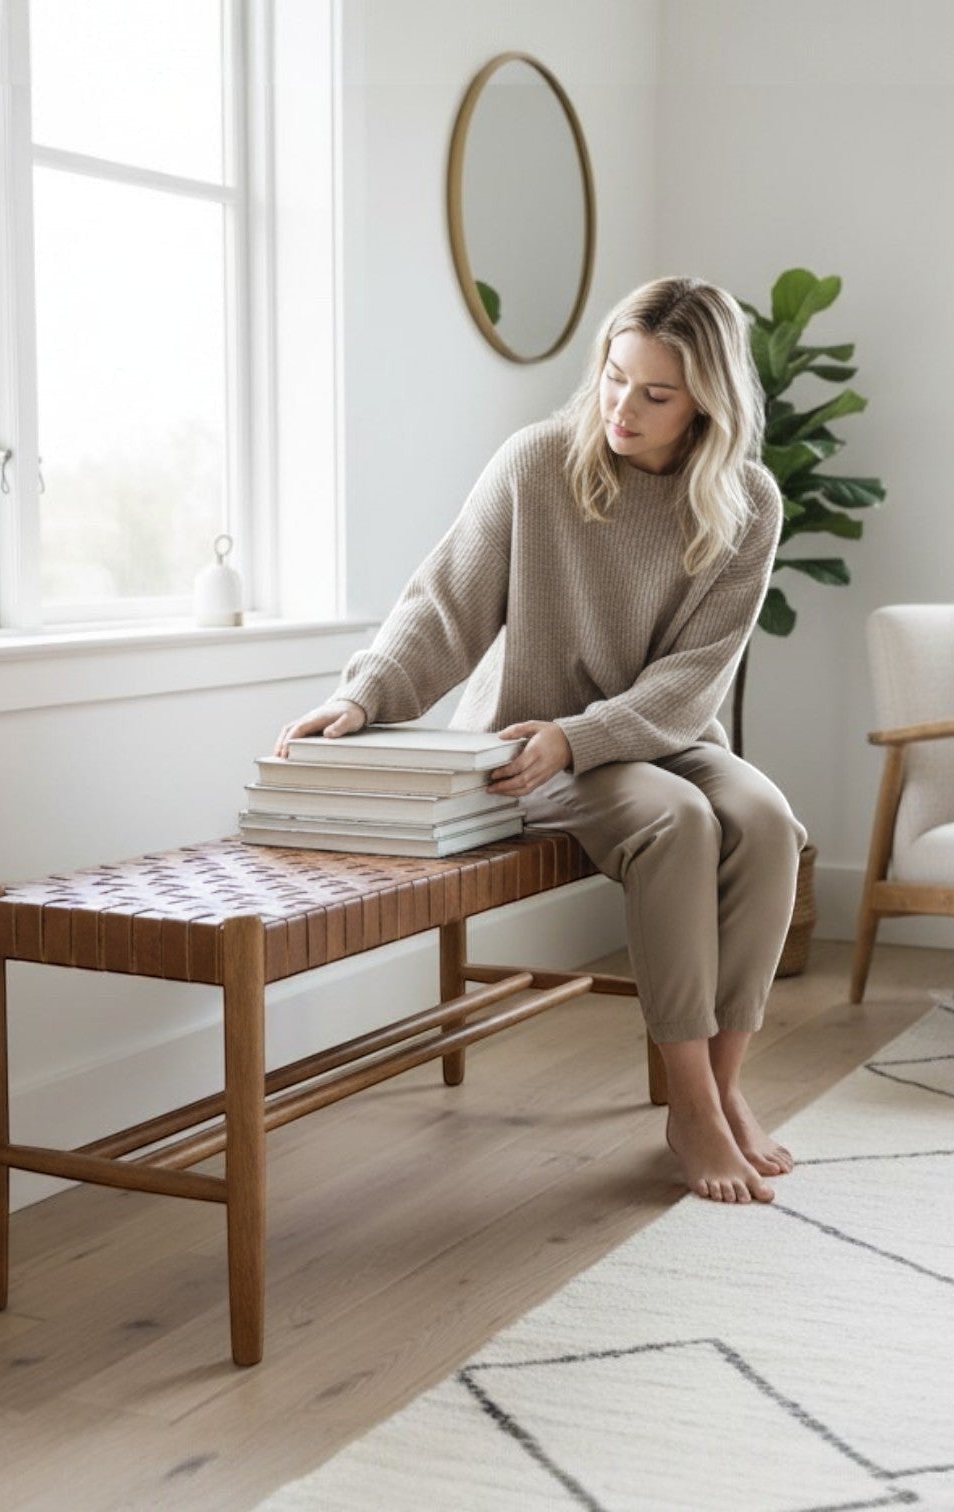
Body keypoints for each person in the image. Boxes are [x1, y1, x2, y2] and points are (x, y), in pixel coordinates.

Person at [274, 276, 810, 1205]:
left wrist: (592, 734)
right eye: (614, 377)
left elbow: (694, 677)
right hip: (527, 741)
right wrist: (363, 698)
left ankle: (723, 1091)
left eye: (656, 394)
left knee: (766, 819)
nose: (622, 408)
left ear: (708, 407)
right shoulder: (538, 465)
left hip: (660, 732)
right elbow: (445, 603)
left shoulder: (747, 502)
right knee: (677, 824)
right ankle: (689, 1106)